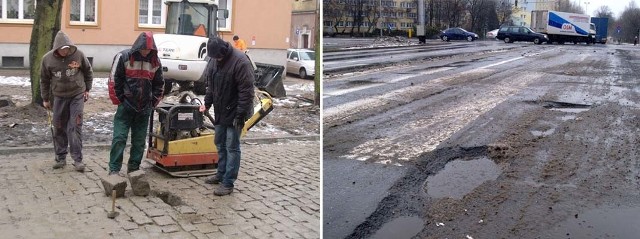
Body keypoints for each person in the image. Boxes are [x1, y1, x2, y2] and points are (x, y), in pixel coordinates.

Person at [200, 36, 255, 196]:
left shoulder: (240, 62)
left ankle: (228, 182)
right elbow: (210, 85)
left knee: (232, 146)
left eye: (217, 57)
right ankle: (220, 173)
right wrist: (207, 103)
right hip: (221, 109)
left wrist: (240, 115)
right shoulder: (213, 61)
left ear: (223, 51)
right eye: (213, 57)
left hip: (236, 111)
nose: (216, 59)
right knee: (219, 142)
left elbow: (247, 92)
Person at [108, 32, 164, 175]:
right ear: (138, 46)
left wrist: (152, 103)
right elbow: (114, 80)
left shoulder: (155, 62)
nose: (146, 52)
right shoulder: (123, 57)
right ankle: (114, 169)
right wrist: (120, 100)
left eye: (149, 50)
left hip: (144, 108)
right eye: (144, 49)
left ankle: (134, 169)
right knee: (119, 138)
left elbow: (159, 84)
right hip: (125, 107)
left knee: (139, 142)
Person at [40, 31, 93, 172]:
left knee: (74, 126)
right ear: (57, 49)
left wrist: (87, 89)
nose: (66, 51)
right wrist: (45, 98)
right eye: (63, 49)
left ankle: (77, 159)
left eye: (68, 48)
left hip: (77, 94)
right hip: (59, 96)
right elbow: (44, 80)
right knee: (58, 126)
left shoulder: (78, 55)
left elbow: (88, 71)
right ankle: (60, 157)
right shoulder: (47, 59)